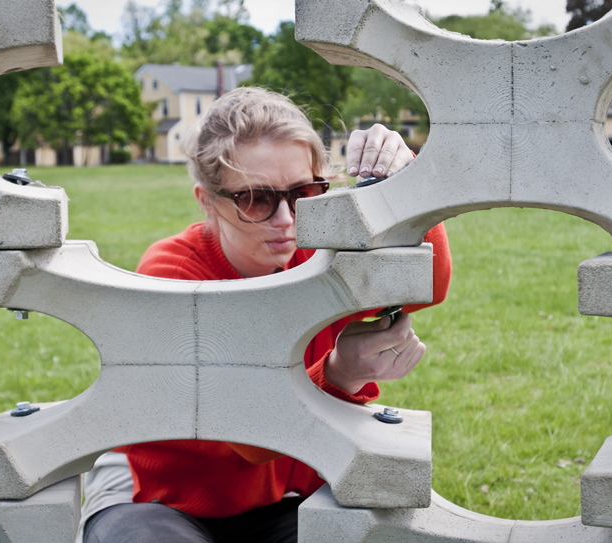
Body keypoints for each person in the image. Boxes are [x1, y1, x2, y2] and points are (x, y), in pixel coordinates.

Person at [81, 87, 451, 543]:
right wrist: (337, 373)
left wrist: (404, 185)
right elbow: (247, 434)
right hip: (160, 500)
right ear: (208, 200)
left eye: (305, 193)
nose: (286, 220)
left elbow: (426, 284)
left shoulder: (318, 250)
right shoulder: (173, 272)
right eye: (256, 199)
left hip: (280, 497)